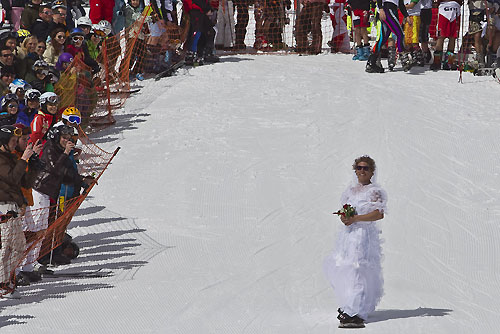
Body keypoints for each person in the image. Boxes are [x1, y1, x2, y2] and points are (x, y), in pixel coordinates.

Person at [324, 155, 387, 328]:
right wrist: (345, 218)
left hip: (363, 236)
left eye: (365, 168)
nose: (362, 171)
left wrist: (357, 218)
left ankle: (353, 311)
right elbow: (345, 211)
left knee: (357, 268)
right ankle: (350, 306)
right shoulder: (350, 191)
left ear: (372, 171)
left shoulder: (374, 191)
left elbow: (378, 213)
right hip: (348, 235)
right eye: (359, 168)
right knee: (346, 268)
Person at [0, 124, 42, 298]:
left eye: (16, 141)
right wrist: (24, 159)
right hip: (3, 207)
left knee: (18, 247)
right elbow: (11, 178)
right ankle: (3, 284)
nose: (15, 143)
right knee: (6, 248)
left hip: (14, 208)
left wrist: (33, 164)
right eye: (12, 141)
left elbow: (24, 183)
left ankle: (7, 280)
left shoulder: (10, 156)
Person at [366, 0, 411, 72]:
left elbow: (401, 4)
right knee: (400, 34)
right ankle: (403, 57)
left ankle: (372, 62)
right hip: (387, 10)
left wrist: (407, 16)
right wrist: (381, 9)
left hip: (393, 10)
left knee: (383, 38)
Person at [430, 0, 461, 70]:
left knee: (453, 36)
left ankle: (449, 61)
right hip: (444, 9)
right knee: (441, 36)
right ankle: (437, 61)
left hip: (456, 8)